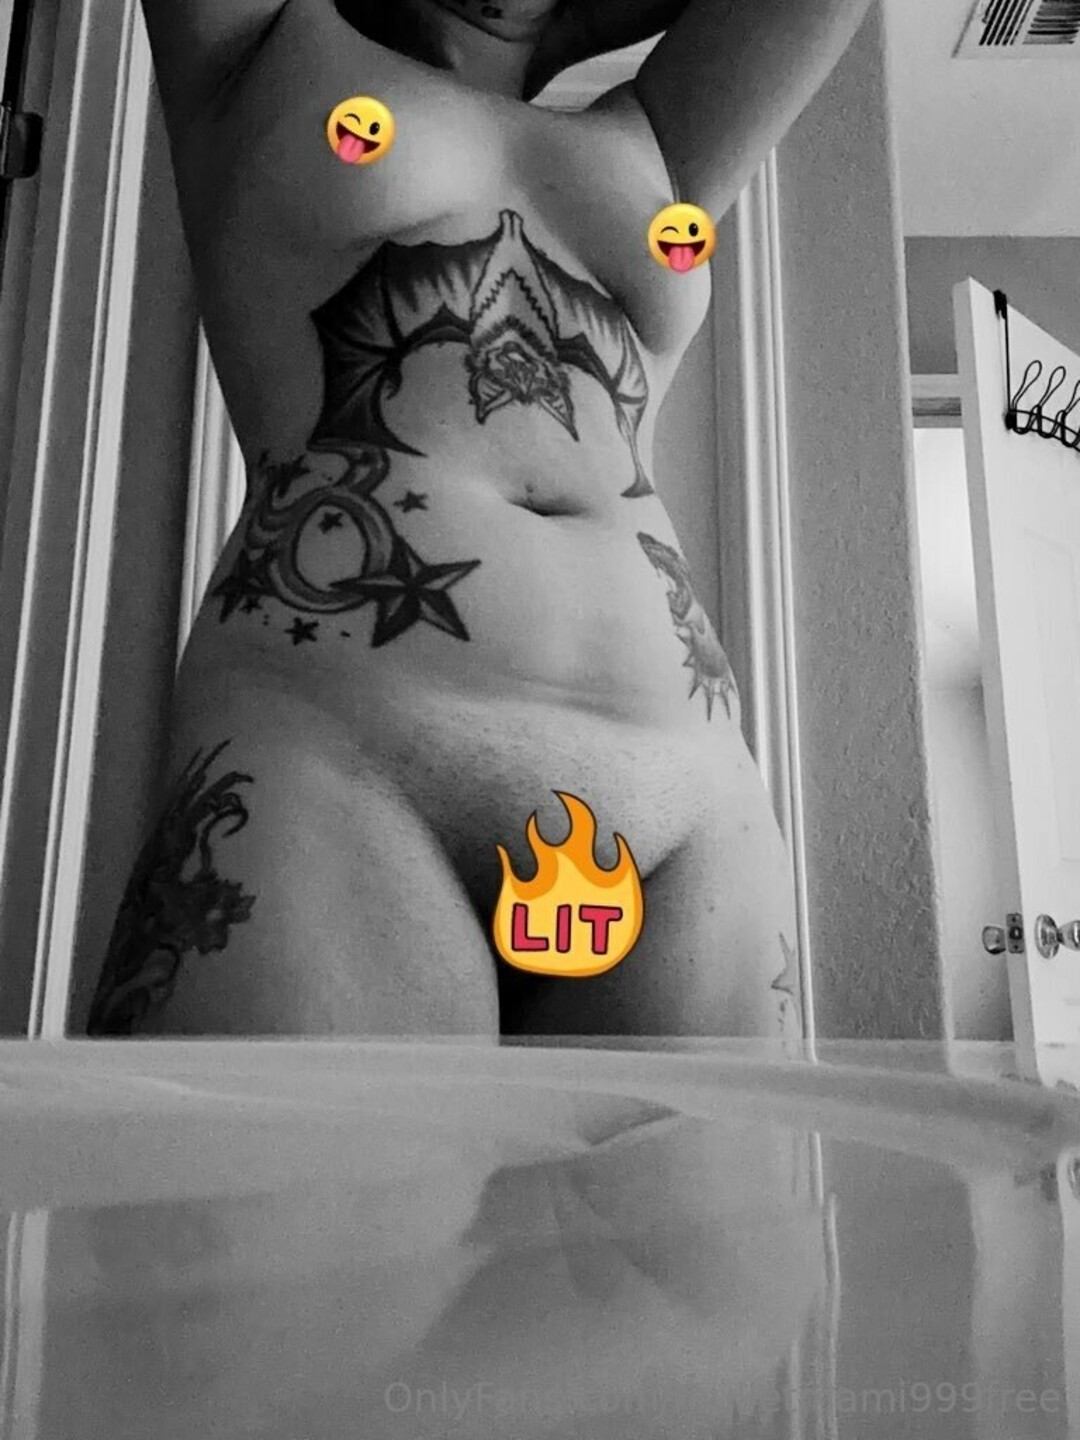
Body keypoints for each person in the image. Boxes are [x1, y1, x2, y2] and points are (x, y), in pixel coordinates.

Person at [86, 0, 872, 1039]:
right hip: (339, 759)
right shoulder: (267, 50)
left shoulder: (658, 145)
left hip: (687, 799)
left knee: (708, 1164)